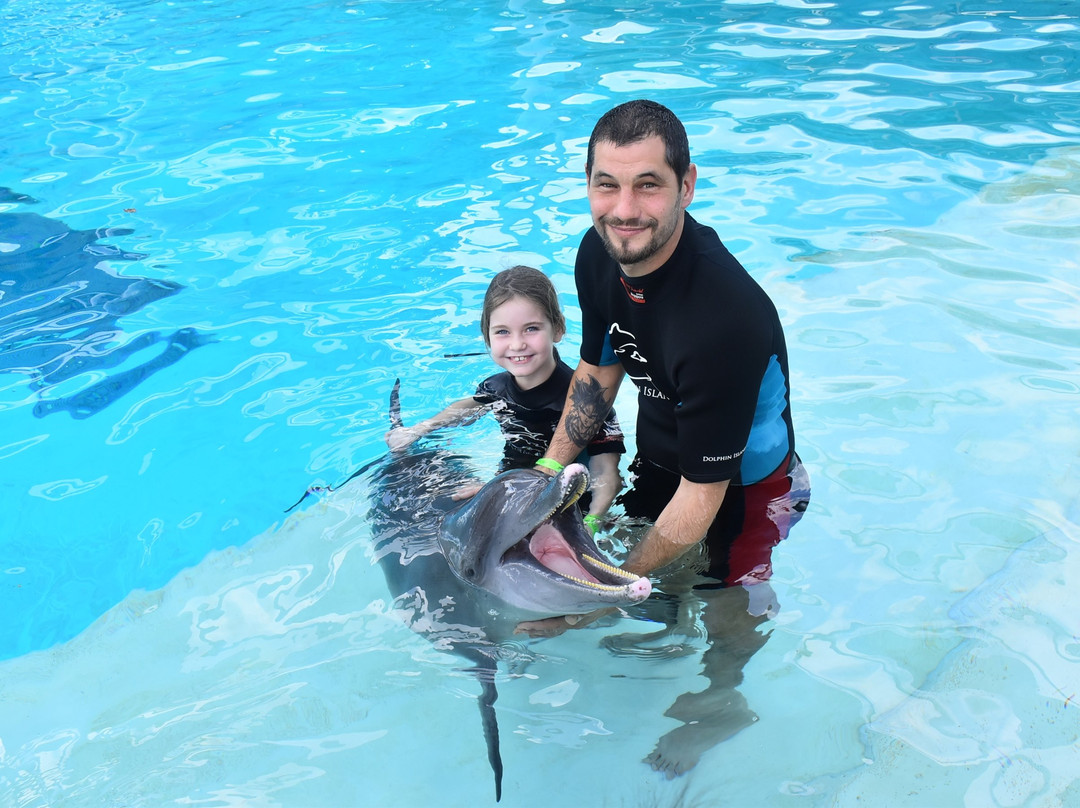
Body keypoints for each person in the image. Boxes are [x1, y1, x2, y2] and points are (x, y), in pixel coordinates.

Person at [517, 100, 811, 773]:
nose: (624, 210)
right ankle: (663, 613)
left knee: (726, 601)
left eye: (647, 185)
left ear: (687, 185)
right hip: (664, 457)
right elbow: (599, 371)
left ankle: (723, 699)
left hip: (744, 490)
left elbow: (703, 498)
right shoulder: (599, 253)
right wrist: (544, 476)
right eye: (607, 185)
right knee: (650, 562)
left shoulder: (724, 315)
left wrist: (598, 600)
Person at [385, 265, 626, 526]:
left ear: (558, 329)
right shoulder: (496, 388)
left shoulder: (586, 401)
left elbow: (607, 476)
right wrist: (420, 429)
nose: (517, 344)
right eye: (502, 332)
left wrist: (593, 522)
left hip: (573, 502)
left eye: (531, 328)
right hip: (511, 486)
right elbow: (469, 407)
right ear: (487, 338)